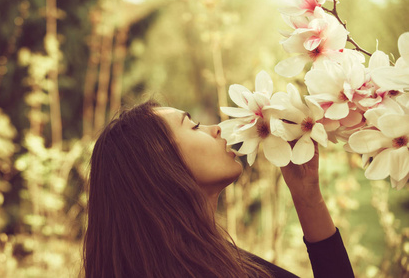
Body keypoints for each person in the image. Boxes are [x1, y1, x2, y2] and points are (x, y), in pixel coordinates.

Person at [83, 99, 354, 278]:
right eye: (194, 126)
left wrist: (307, 195)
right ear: (158, 163)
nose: (217, 129)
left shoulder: (217, 260)